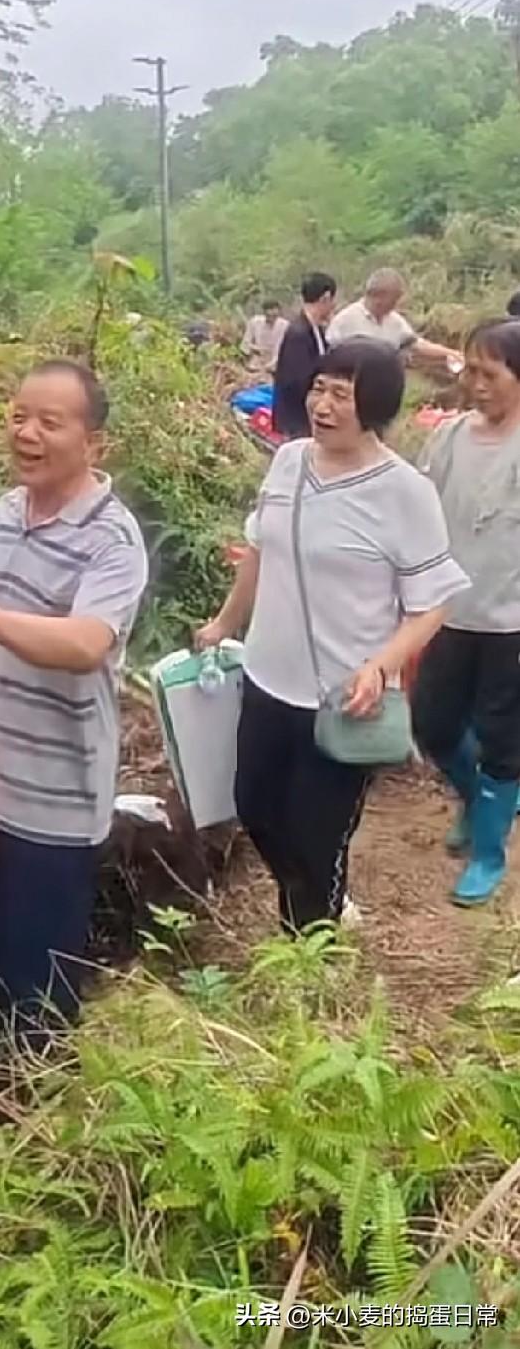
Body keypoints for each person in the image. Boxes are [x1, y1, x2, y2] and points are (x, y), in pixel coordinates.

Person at [0, 360, 148, 1048]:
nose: (27, 434)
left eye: (50, 422)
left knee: (36, 990)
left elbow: (84, 643)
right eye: (19, 417)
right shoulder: (6, 513)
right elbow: (2, 624)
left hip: (54, 800)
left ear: (95, 442)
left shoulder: (112, 539)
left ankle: (37, 1097)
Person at [197, 340, 468, 932]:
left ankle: (309, 944)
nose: (322, 405)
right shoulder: (289, 460)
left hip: (346, 697)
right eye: (319, 388)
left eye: (341, 394)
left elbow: (434, 602)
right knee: (254, 806)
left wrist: (381, 666)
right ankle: (317, 899)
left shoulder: (404, 492)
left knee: (316, 840)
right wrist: (224, 623)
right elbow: (259, 549)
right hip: (268, 678)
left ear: (375, 405)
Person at [412, 319, 520, 907]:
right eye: (470, 371)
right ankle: (477, 801)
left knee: (503, 738)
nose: (475, 384)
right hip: (448, 613)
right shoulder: (451, 437)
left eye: (490, 374)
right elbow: (416, 509)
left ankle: (487, 852)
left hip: (510, 624)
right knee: (433, 724)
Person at [327, 268, 455, 368]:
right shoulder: (345, 321)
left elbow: (416, 345)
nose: (397, 303)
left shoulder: (395, 321)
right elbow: (329, 356)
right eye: (395, 298)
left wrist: (450, 353)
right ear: (379, 296)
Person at [272, 273, 338, 439]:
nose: (334, 306)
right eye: (332, 300)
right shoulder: (299, 333)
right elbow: (297, 380)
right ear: (325, 298)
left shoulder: (316, 330)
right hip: (298, 417)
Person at [242, 301, 289, 370]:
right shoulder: (255, 322)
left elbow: (287, 348)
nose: (272, 318)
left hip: (277, 365)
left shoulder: (285, 326)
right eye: (269, 315)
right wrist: (256, 349)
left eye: (274, 316)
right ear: (264, 313)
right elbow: (245, 344)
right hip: (256, 364)